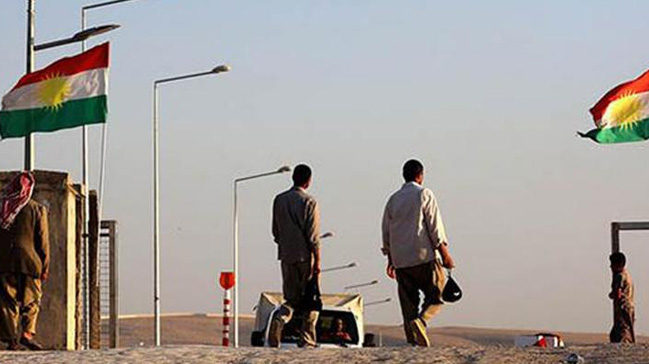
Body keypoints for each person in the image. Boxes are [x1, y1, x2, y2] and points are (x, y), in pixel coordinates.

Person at [381, 159, 455, 347]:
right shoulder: (424, 194)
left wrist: (390, 259)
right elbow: (434, 226)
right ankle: (421, 322)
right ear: (420, 176)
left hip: (401, 260)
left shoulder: (393, 199)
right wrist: (445, 254)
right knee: (437, 295)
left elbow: (386, 230)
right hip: (423, 256)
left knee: (408, 303)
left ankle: (413, 342)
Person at [268, 164, 321, 348]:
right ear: (308, 181)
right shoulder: (309, 202)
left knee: (290, 299)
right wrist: (317, 261)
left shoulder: (279, 200)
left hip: (286, 255)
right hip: (305, 257)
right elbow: (313, 236)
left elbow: (275, 231)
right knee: (310, 300)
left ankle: (280, 320)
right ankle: (307, 338)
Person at [0, 172, 49, 351]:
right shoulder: (37, 209)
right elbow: (42, 241)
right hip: (30, 262)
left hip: (4, 262)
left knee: (7, 301)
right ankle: (27, 334)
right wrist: (45, 265)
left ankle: (11, 339)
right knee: (32, 300)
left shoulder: (2, 207)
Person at [608, 252, 635, 344]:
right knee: (625, 331)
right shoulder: (627, 275)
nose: (610, 267)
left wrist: (612, 295)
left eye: (612, 264)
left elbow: (618, 293)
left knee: (622, 334)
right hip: (629, 307)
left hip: (622, 308)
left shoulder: (619, 276)